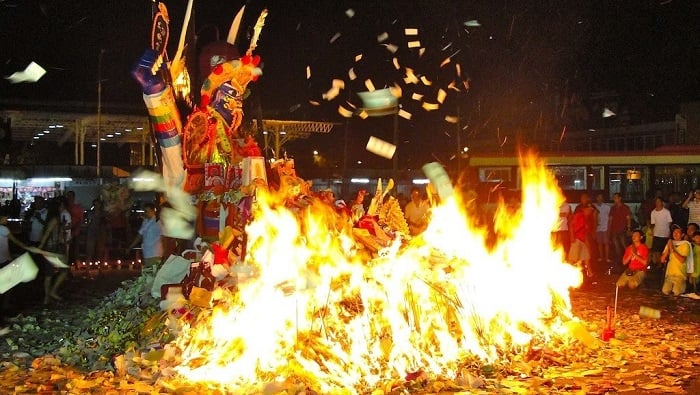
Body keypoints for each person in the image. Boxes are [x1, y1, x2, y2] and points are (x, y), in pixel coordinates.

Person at [0, 215, 29, 335]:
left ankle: (4, 311)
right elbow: (15, 240)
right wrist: (26, 247)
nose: (7, 219)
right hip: (3, 261)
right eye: (4, 217)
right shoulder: (3, 229)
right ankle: (4, 311)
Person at [37, 198, 69, 304]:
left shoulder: (53, 218)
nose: (62, 208)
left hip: (51, 248)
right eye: (60, 206)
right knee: (62, 271)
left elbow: (46, 232)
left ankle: (47, 297)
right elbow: (47, 233)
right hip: (52, 248)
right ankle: (51, 293)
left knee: (49, 274)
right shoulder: (55, 219)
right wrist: (41, 246)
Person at [128, 203, 163, 270]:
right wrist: (130, 247)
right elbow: (139, 236)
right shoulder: (145, 222)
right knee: (147, 275)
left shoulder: (158, 222)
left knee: (153, 275)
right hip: (146, 253)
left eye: (147, 211)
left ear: (153, 211)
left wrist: (164, 253)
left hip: (155, 254)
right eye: (145, 211)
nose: (145, 213)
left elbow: (163, 237)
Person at [660, 225, 692, 296]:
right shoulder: (670, 243)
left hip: (680, 276)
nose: (675, 234)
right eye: (674, 232)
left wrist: (672, 249)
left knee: (676, 292)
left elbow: (682, 260)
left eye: (678, 232)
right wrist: (668, 248)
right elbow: (662, 260)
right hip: (670, 275)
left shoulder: (685, 244)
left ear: (682, 234)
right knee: (665, 291)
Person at [609, 193, 632, 268]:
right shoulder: (613, 208)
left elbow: (628, 219)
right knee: (617, 246)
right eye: (614, 198)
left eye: (616, 198)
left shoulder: (625, 207)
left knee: (624, 245)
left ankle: (628, 259)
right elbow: (610, 219)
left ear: (620, 198)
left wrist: (629, 228)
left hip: (622, 229)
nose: (614, 199)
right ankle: (620, 260)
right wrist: (609, 229)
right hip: (614, 230)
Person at [570, 204, 592, 277]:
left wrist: (587, 243)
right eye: (589, 209)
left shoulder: (587, 218)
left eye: (591, 209)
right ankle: (569, 274)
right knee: (573, 258)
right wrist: (572, 237)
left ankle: (590, 273)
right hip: (576, 239)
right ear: (584, 209)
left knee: (586, 257)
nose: (590, 211)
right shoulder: (578, 215)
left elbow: (585, 232)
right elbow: (570, 225)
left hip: (582, 240)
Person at [650, 197, 673, 267]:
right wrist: (653, 232)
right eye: (656, 202)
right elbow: (653, 223)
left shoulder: (666, 212)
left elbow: (670, 222)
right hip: (657, 233)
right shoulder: (653, 212)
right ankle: (659, 264)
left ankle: (665, 264)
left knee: (664, 250)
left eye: (659, 201)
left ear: (662, 202)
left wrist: (666, 229)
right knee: (656, 250)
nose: (657, 203)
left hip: (665, 234)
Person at [65, 191, 84, 264]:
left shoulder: (78, 208)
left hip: (74, 230)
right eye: (68, 196)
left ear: (74, 197)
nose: (69, 198)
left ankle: (74, 262)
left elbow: (80, 220)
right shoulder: (65, 207)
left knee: (74, 247)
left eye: (71, 196)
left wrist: (76, 229)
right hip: (66, 230)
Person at [594, 193, 611, 266]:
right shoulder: (594, 206)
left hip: (605, 227)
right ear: (597, 198)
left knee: (606, 243)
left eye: (601, 197)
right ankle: (601, 257)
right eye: (598, 197)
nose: (600, 199)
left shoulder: (607, 207)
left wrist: (609, 227)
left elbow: (610, 218)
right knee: (599, 243)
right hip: (597, 228)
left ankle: (607, 257)